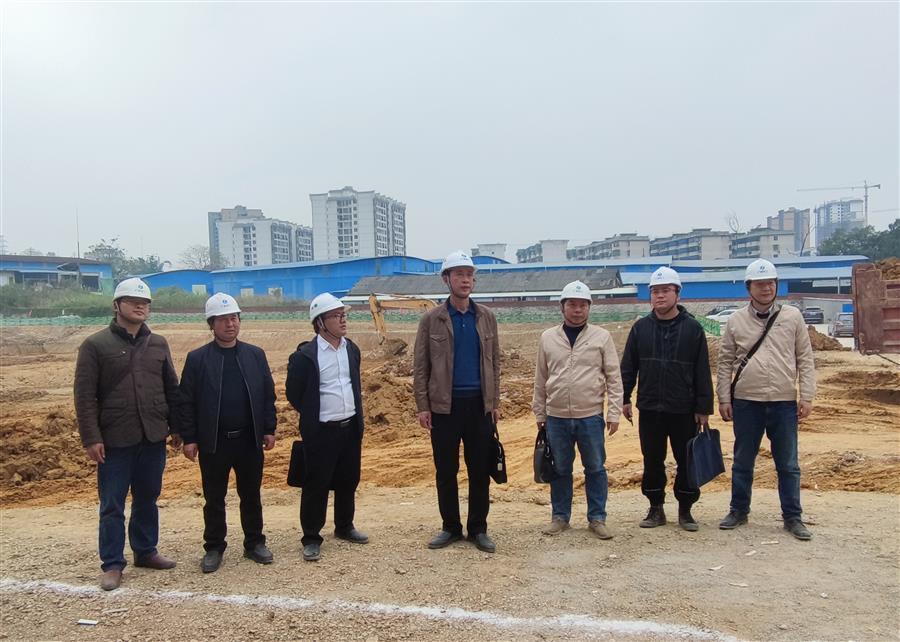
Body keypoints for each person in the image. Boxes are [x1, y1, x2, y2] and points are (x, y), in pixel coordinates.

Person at [73, 278, 180, 591]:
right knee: (112, 504)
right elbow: (85, 396)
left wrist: (177, 427)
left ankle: (145, 551)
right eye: (133, 301)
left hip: (152, 435)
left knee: (148, 497)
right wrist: (91, 437)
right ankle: (112, 563)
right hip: (114, 439)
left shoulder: (158, 343)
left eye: (144, 302)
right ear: (116, 305)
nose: (140, 306)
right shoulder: (95, 345)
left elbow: (171, 388)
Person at [716, 259, 816, 540]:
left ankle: (793, 517)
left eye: (771, 283)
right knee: (743, 461)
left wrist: (807, 395)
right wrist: (724, 398)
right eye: (760, 284)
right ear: (749, 287)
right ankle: (738, 510)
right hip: (747, 401)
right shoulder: (736, 320)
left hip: (783, 402)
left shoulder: (792, 317)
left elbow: (805, 358)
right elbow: (725, 362)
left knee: (788, 464)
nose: (766, 288)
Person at [178, 293, 276, 573]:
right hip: (214, 442)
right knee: (214, 498)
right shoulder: (198, 359)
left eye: (233, 318)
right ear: (211, 324)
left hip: (249, 439)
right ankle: (214, 547)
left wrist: (268, 428)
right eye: (222, 320)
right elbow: (186, 401)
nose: (230, 324)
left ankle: (254, 543)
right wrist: (190, 437)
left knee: (251, 495)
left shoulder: (255, 355)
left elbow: (267, 395)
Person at [414, 250, 501, 553]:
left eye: (469, 275)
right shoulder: (432, 319)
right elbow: (421, 365)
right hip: (444, 408)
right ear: (446, 279)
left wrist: (494, 402)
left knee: (479, 470)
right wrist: (423, 405)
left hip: (478, 406)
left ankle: (478, 529)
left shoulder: (486, 317)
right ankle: (450, 527)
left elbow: (495, 362)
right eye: (459, 274)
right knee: (446, 471)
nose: (465, 280)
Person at [620, 267, 713, 532]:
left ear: (677, 294)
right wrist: (624, 397)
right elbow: (628, 367)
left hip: (684, 408)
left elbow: (702, 370)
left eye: (665, 291)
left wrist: (703, 407)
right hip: (650, 407)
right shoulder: (641, 328)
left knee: (686, 460)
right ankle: (655, 508)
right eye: (655, 291)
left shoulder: (693, 329)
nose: (659, 296)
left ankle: (686, 509)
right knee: (652, 459)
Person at [532, 280, 623, 540]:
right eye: (572, 304)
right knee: (560, 469)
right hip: (557, 417)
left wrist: (613, 413)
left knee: (595, 468)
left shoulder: (601, 337)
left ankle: (597, 518)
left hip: (590, 416)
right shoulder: (548, 338)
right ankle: (560, 517)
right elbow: (540, 378)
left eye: (583, 305)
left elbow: (614, 377)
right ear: (562, 307)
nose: (577, 310)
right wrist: (540, 412)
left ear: (589, 308)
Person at [285, 292, 368, 562]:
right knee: (316, 484)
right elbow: (294, 394)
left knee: (348, 479)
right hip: (321, 432)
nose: (343, 320)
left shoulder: (351, 349)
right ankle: (311, 537)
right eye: (336, 316)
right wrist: (314, 415)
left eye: (344, 315)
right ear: (320, 322)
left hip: (350, 428)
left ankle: (344, 526)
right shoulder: (305, 357)